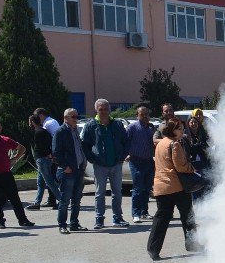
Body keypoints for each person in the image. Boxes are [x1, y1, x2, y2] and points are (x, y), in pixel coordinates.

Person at [147, 118, 199, 260]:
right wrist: (192, 168)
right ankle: (192, 244)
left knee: (161, 219)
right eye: (179, 128)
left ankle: (153, 249)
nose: (182, 131)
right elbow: (181, 166)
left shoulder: (160, 143)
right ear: (172, 130)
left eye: (182, 128)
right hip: (177, 186)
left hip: (161, 186)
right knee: (188, 216)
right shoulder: (174, 144)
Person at [81, 98, 130, 229]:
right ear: (96, 110)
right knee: (100, 193)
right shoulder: (91, 125)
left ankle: (118, 218)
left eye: (105, 109)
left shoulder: (117, 124)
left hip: (116, 164)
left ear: (109, 110)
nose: (103, 112)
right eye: (100, 109)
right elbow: (84, 145)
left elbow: (126, 142)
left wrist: (122, 156)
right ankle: (99, 219)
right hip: (100, 165)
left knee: (117, 192)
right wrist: (92, 159)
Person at [52, 108, 88, 234]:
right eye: (73, 117)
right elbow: (56, 153)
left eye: (76, 116)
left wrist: (83, 161)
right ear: (66, 118)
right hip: (67, 171)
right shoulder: (61, 132)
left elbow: (79, 148)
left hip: (78, 169)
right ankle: (62, 224)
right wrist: (65, 166)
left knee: (77, 199)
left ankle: (74, 223)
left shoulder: (75, 131)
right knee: (65, 200)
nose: (76, 119)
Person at [126, 105, 156, 223]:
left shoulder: (150, 128)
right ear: (137, 115)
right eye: (142, 114)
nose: (145, 116)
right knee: (138, 188)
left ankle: (144, 212)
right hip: (136, 161)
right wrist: (127, 154)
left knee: (147, 188)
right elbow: (125, 141)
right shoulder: (132, 127)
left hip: (148, 161)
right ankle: (136, 213)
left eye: (147, 114)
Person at [27, 113, 62, 211]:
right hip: (44, 159)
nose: (29, 124)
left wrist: (48, 154)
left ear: (33, 122)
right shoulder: (44, 131)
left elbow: (41, 147)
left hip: (42, 160)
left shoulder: (38, 132)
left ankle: (62, 201)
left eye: (30, 122)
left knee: (49, 182)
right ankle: (37, 202)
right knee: (40, 183)